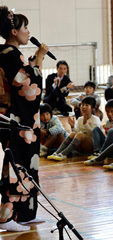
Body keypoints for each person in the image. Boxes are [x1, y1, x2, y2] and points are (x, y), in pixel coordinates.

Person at [0, 6, 49, 231]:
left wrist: (32, 63)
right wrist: (38, 58)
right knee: (16, 163)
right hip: (16, 120)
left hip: (18, 119)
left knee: (26, 164)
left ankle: (25, 214)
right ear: (13, 32)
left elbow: (22, 75)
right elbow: (26, 86)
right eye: (24, 27)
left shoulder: (9, 54)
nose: (28, 31)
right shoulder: (9, 54)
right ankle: (6, 215)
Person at [47, 97, 101, 161]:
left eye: (87, 105)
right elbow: (76, 133)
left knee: (80, 135)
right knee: (73, 133)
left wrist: (86, 124)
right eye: (82, 105)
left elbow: (93, 134)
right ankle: (57, 152)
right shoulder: (80, 119)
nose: (84, 107)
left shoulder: (96, 119)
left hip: (91, 146)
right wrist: (72, 127)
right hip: (81, 146)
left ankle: (63, 154)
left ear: (92, 108)